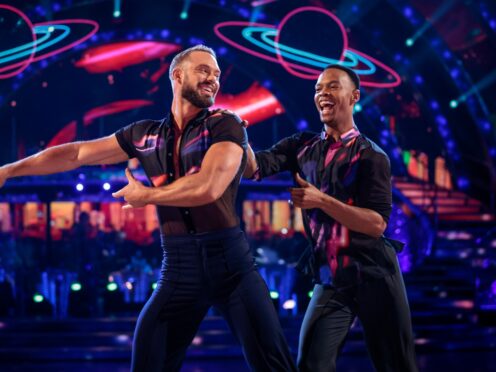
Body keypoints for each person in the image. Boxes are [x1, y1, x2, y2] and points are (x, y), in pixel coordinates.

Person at [0, 45, 296, 372]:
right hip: (179, 269)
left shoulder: (225, 127)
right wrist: (9, 170)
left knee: (274, 366)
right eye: (204, 71)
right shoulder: (144, 135)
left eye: (216, 75)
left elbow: (208, 188)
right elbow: (76, 154)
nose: (213, 79)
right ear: (178, 74)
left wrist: (148, 196)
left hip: (232, 267)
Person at [244, 64, 418, 372]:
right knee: (311, 364)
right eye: (318, 89)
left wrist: (320, 201)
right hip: (333, 278)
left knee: (396, 365)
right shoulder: (301, 147)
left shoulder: (371, 156)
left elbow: (377, 224)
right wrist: (237, 134)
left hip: (375, 275)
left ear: (354, 97)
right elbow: (253, 168)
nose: (323, 93)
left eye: (332, 86)